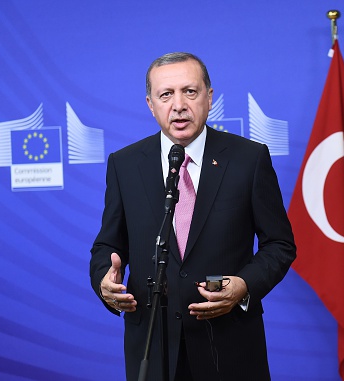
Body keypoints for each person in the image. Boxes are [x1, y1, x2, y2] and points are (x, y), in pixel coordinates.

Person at [90, 52, 296, 380]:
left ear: (209, 97)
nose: (179, 105)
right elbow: (107, 245)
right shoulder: (125, 164)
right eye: (166, 94)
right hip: (153, 348)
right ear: (150, 104)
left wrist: (243, 285)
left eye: (190, 91)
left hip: (230, 345)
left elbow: (280, 244)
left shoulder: (248, 158)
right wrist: (104, 279)